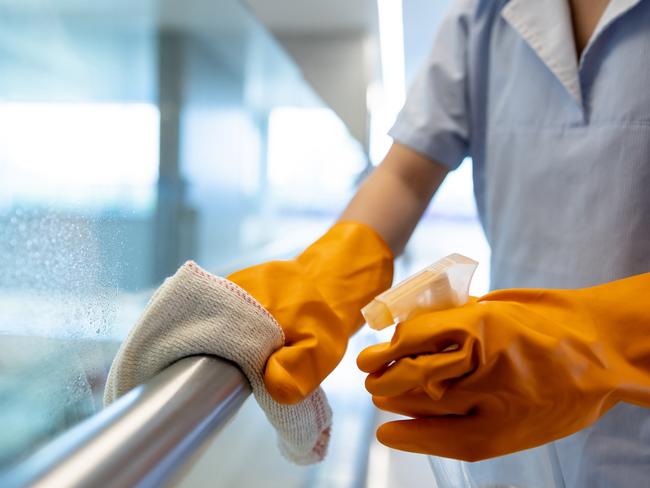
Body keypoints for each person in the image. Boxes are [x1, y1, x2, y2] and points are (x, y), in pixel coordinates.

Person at [229, 0, 650, 486]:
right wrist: (326, 277)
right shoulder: (481, 19)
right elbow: (406, 175)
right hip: (518, 437)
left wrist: (592, 343)